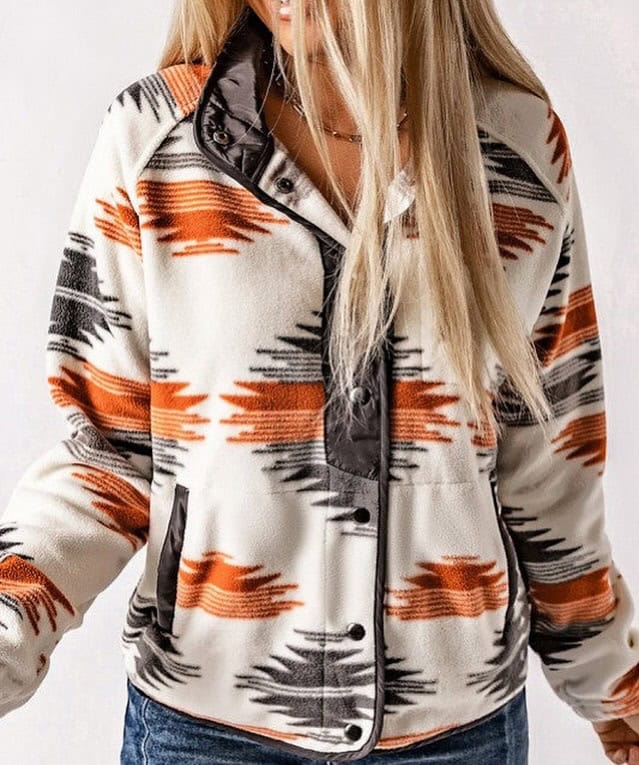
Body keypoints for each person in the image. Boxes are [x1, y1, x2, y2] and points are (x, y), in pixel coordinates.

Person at [1, 1, 638, 763]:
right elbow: (106, 454)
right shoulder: (156, 140)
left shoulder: (516, 151)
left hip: (457, 732)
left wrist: (614, 681)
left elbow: (549, 466)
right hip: (206, 728)